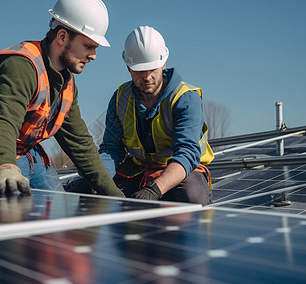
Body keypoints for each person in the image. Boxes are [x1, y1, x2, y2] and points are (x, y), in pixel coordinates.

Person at [0, 0, 124, 197]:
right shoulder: (21, 66)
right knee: (11, 215)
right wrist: (5, 167)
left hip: (27, 154)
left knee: (53, 212)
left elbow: (79, 143)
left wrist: (116, 196)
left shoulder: (67, 84)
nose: (93, 56)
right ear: (62, 37)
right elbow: (4, 121)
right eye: (89, 46)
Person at [73, 26, 214, 205]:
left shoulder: (185, 98)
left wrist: (154, 189)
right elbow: (111, 149)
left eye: (152, 69)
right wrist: (99, 180)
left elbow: (187, 153)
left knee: (192, 197)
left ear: (163, 63)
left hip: (181, 171)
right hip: (139, 170)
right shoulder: (120, 99)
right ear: (128, 67)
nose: (147, 77)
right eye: (140, 70)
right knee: (95, 192)